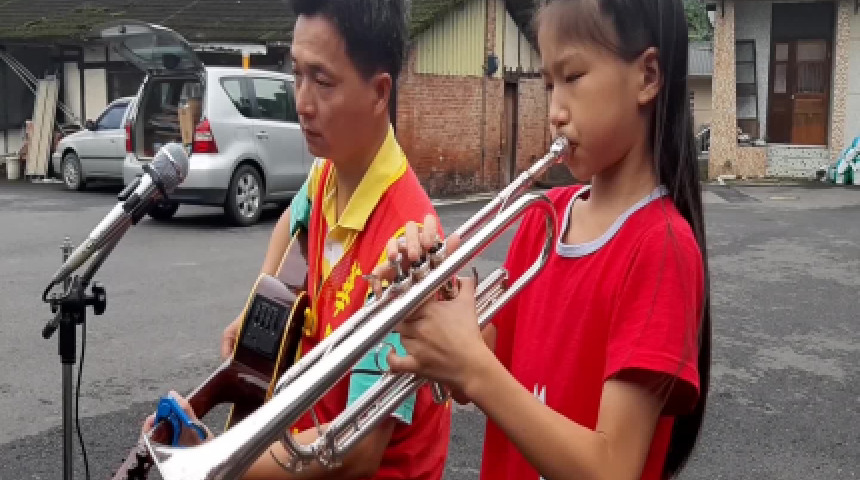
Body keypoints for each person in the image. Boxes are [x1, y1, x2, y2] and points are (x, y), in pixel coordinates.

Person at [370, 0, 712, 479]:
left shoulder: (662, 248)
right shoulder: (542, 220)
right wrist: (427, 300)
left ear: (647, 76)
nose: (554, 112)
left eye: (573, 77)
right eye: (549, 84)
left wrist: (473, 368)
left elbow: (613, 468)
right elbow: (472, 376)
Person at [144, 1, 451, 479]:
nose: (302, 103)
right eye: (297, 74)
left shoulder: (407, 250)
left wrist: (215, 460)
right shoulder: (328, 170)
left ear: (379, 92)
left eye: (322, 81)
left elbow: (357, 448)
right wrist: (257, 308)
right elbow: (293, 218)